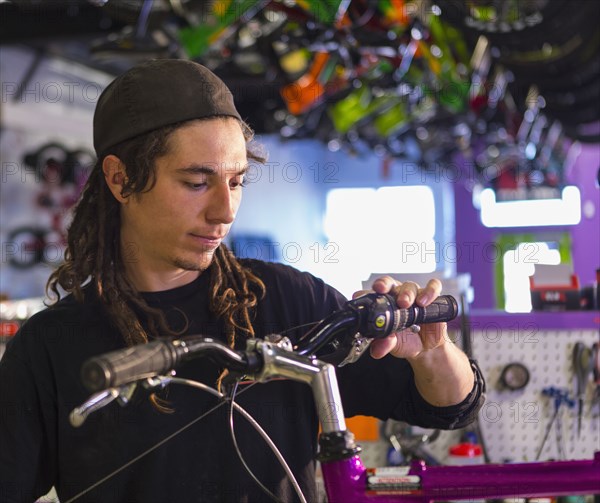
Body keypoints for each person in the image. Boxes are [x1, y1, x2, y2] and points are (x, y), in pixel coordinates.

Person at [0, 59, 485, 503]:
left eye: (235, 181)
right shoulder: (50, 346)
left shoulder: (293, 303)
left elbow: (450, 407)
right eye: (196, 182)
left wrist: (431, 352)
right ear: (120, 179)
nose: (224, 211)